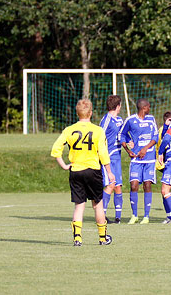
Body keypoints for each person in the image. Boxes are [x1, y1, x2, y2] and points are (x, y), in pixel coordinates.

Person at [50, 99, 114, 246]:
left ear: (77, 113)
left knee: (79, 205)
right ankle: (103, 238)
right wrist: (109, 172)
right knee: (98, 204)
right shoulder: (98, 130)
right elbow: (103, 154)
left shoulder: (69, 130)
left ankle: (77, 238)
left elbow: (55, 149)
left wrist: (64, 166)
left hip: (76, 171)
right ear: (91, 113)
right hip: (93, 171)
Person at [120, 98, 158, 224]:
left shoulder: (151, 119)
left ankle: (146, 216)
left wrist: (145, 149)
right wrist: (128, 150)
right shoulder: (130, 120)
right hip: (136, 159)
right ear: (144, 108)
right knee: (134, 185)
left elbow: (155, 137)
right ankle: (134, 215)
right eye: (149, 107)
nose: (150, 109)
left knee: (147, 184)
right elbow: (122, 135)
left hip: (149, 159)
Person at [100, 95, 124, 224]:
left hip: (117, 157)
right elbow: (99, 136)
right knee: (111, 184)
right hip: (108, 157)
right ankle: (101, 215)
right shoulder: (106, 120)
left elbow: (123, 135)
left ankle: (118, 217)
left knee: (118, 186)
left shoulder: (119, 120)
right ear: (117, 106)